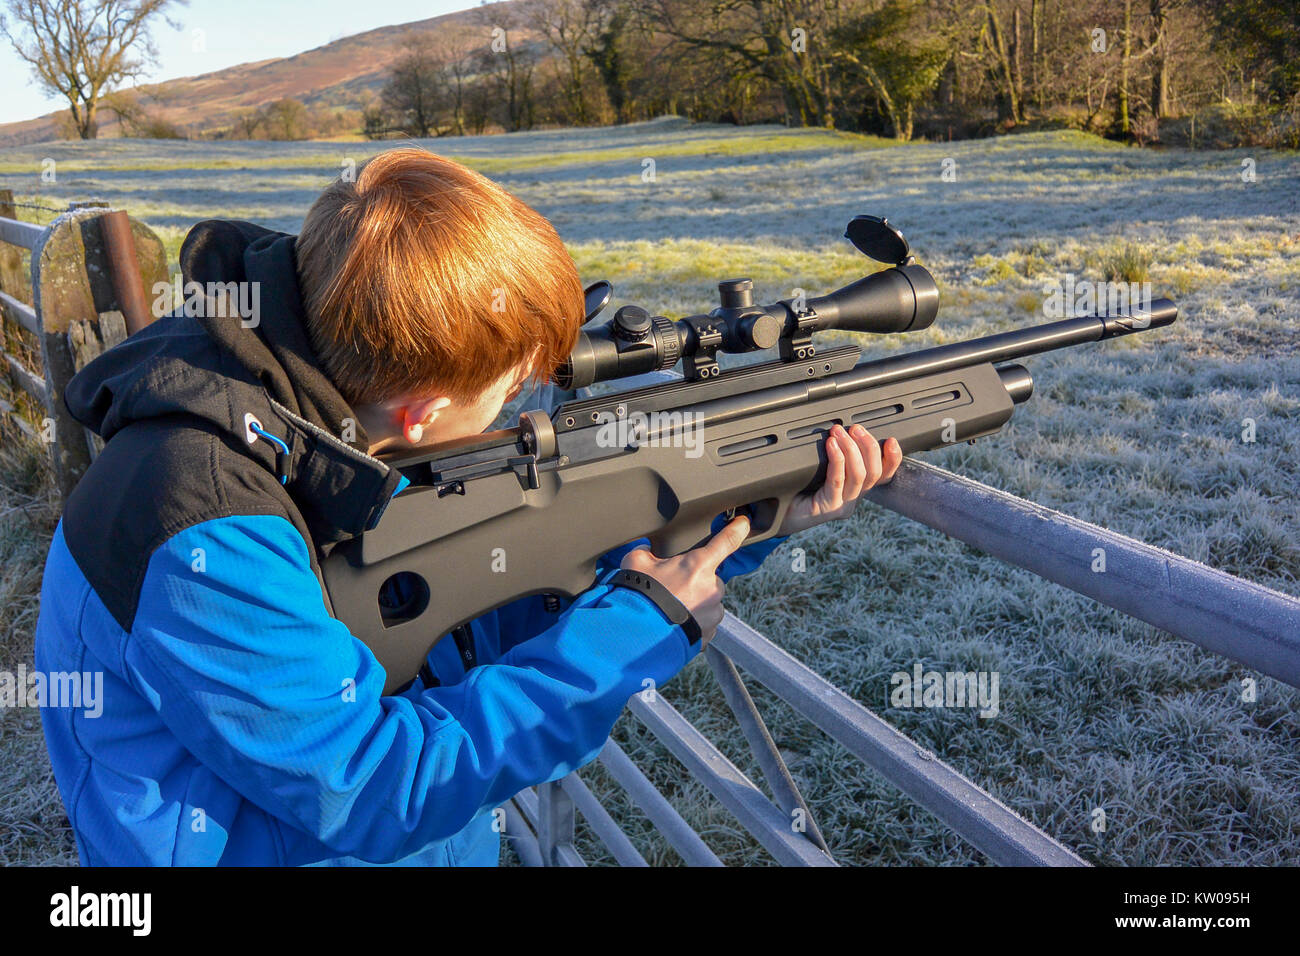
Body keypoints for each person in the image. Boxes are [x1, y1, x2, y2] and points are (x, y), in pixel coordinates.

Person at [34, 148, 901, 866]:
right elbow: (374, 790)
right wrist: (632, 634)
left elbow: (465, 605)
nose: (524, 406)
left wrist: (743, 510)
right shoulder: (208, 524)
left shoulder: (311, 417)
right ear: (422, 414)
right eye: (509, 387)